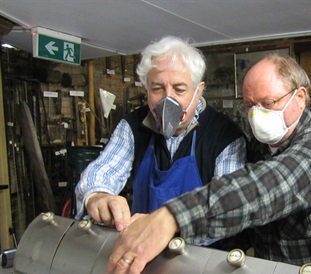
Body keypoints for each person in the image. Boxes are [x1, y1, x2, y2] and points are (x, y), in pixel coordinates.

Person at [107, 53, 311, 274]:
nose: (257, 115)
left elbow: (265, 188)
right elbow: (242, 217)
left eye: (268, 103)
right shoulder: (260, 146)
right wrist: (181, 251)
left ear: (300, 98)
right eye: (250, 106)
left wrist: (169, 218)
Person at [75, 36, 247, 242]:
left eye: (179, 89)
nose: (168, 99)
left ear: (198, 90)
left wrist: (170, 228)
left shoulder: (225, 136)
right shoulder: (132, 126)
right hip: (142, 252)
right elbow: (103, 170)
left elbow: (229, 208)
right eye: (157, 89)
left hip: (202, 262)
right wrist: (98, 196)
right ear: (147, 91)